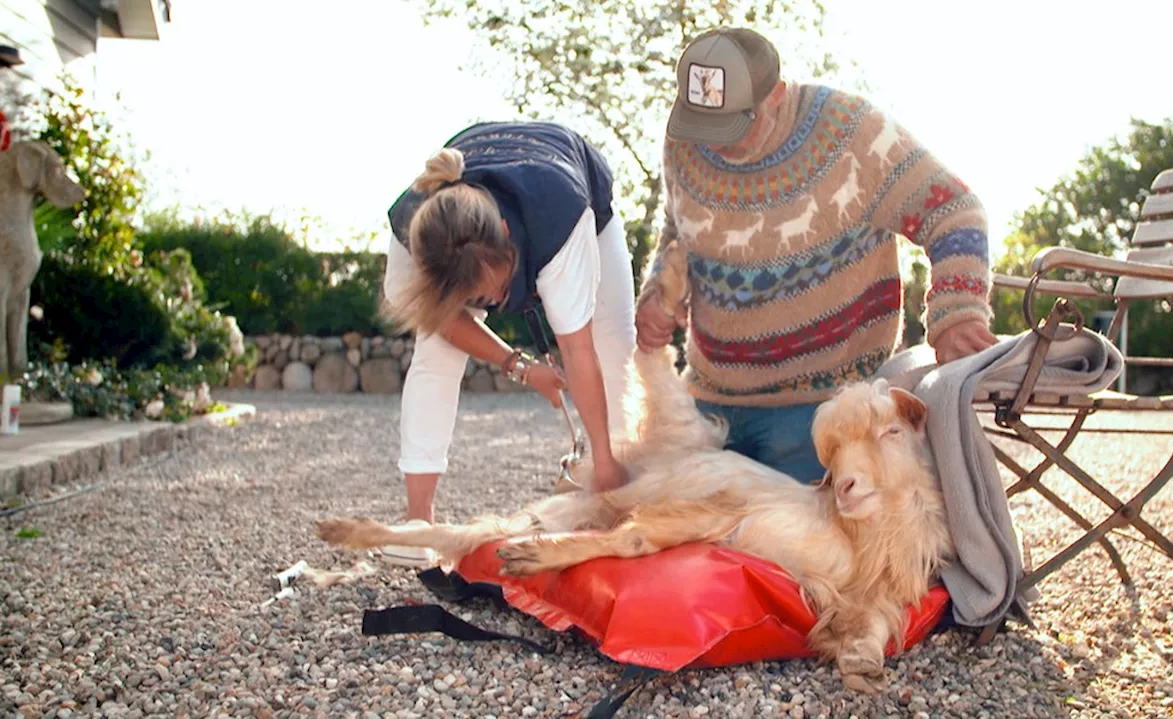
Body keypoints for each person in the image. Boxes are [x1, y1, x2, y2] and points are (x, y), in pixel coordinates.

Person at [635, 27, 999, 484]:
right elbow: (679, 228)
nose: (712, 143)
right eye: (702, 123)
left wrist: (957, 315)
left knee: (790, 550)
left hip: (820, 413)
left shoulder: (852, 133)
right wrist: (656, 292)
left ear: (776, 96)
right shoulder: (684, 140)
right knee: (682, 540)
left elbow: (953, 210)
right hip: (706, 405)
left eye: (731, 125)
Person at [381, 121, 637, 566]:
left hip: (569, 191)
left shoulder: (560, 220)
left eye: (493, 291)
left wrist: (603, 456)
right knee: (435, 352)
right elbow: (445, 323)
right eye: (474, 300)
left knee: (614, 342)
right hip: (479, 210)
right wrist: (520, 366)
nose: (492, 304)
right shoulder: (414, 236)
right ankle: (417, 521)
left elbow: (579, 350)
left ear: (504, 233)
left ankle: (614, 486)